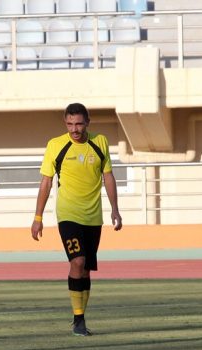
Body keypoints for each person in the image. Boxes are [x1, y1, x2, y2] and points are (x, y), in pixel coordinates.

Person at [31, 103, 122, 336]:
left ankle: (81, 316)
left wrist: (115, 209)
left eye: (79, 124)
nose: (74, 129)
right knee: (78, 262)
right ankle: (78, 318)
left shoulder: (100, 142)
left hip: (93, 217)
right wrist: (38, 217)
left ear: (87, 123)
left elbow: (108, 177)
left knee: (87, 269)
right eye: (70, 124)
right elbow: (46, 182)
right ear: (65, 123)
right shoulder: (55, 145)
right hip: (68, 215)